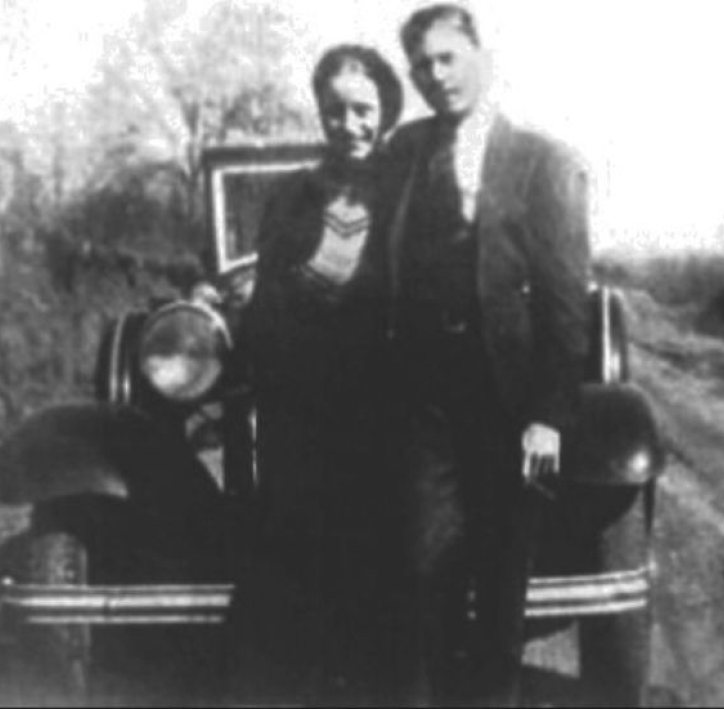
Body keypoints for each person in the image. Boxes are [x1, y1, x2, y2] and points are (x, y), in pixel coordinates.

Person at [376, 4, 592, 705]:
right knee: (419, 570)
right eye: (422, 66)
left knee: (502, 584)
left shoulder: (540, 160)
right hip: (423, 398)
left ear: (477, 54)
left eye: (447, 58)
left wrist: (548, 416)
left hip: (505, 398)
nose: (435, 77)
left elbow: (563, 300)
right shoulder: (402, 152)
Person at [238, 44, 403, 704]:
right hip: (299, 402)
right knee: (297, 558)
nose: (348, 124)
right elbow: (270, 290)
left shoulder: (412, 188)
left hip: (387, 398)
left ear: (385, 112)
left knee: (381, 557)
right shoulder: (289, 194)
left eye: (362, 109)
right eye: (334, 110)